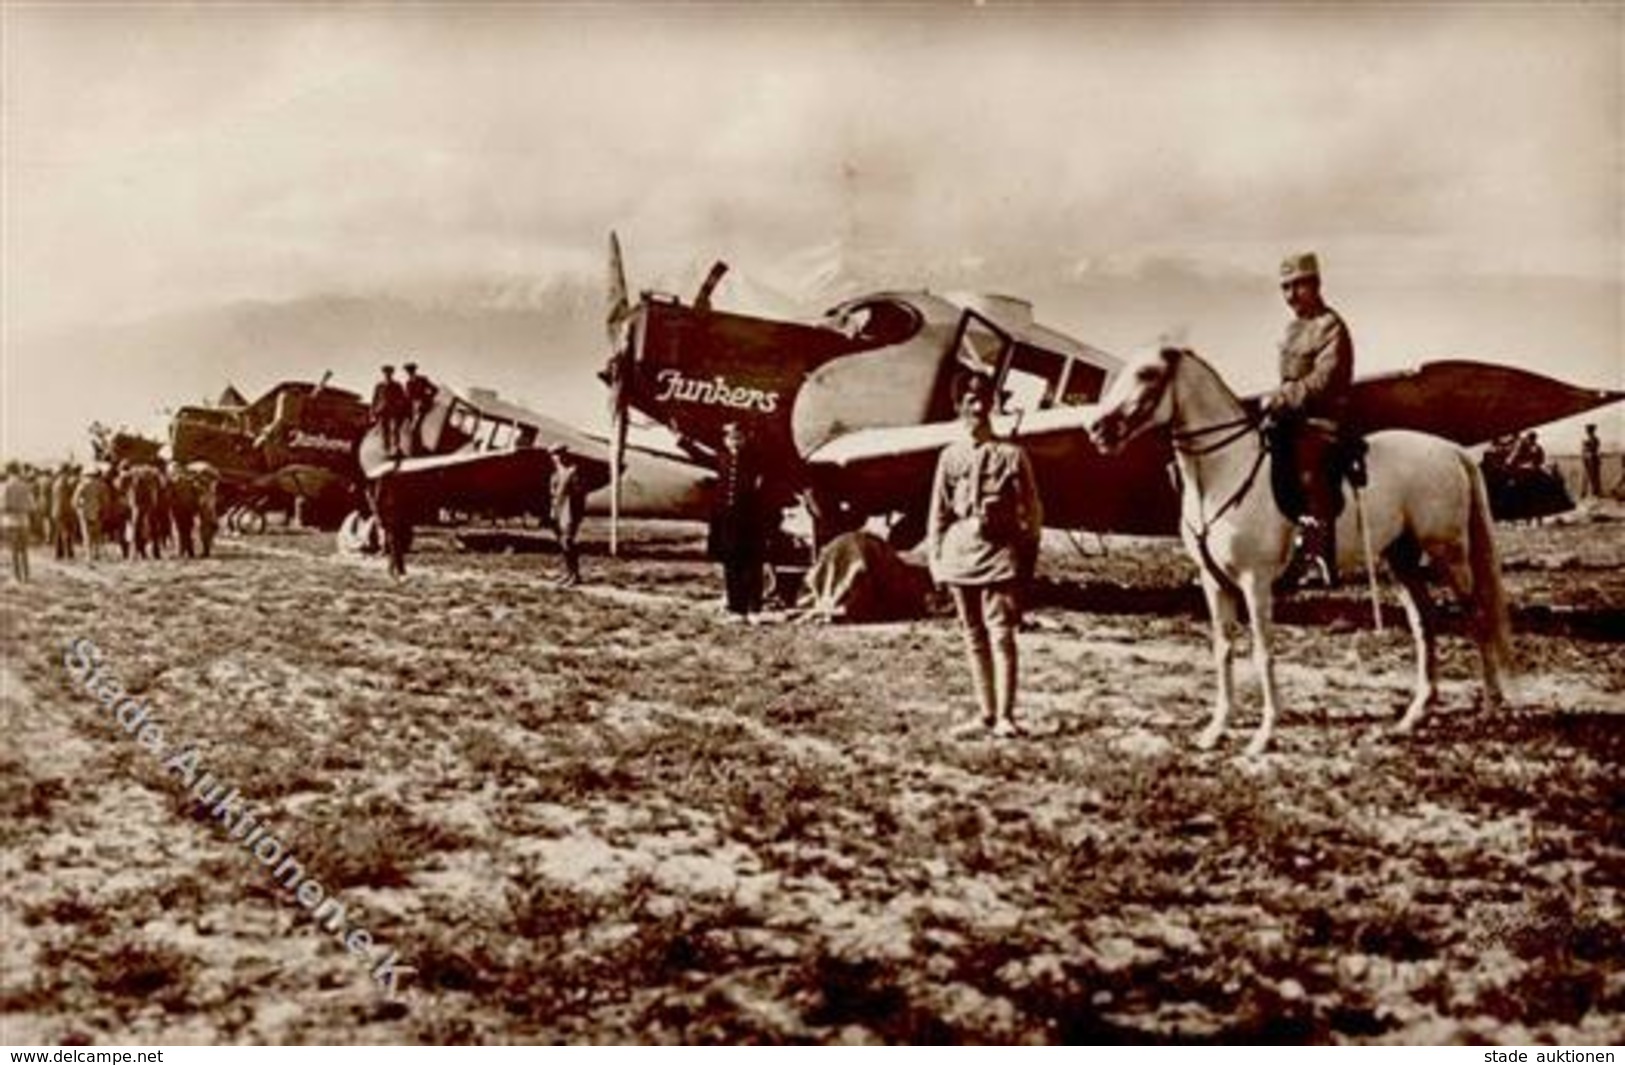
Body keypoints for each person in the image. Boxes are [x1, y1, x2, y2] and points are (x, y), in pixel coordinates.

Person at [927, 372, 1043, 738]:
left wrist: (1025, 556)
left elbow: (1033, 511)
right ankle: (985, 714)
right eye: (969, 400)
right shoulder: (949, 456)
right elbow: (938, 513)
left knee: (1002, 636)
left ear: (992, 404)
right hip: (959, 554)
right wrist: (936, 561)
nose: (977, 407)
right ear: (958, 406)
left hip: (999, 554)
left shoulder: (1012, 454)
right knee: (972, 636)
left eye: (983, 399)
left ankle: (1006, 716)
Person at [1263, 252, 1355, 588]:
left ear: (1315, 285)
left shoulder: (1331, 326)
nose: (1290, 296)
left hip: (1322, 421)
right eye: (1284, 288)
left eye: (1297, 286)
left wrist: (1283, 398)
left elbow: (1323, 382)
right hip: (1290, 419)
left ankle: (1318, 557)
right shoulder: (1291, 330)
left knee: (1309, 464)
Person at [709, 422, 768, 620]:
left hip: (749, 522)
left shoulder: (755, 460)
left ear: (744, 439)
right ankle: (736, 609)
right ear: (725, 441)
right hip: (727, 521)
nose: (734, 441)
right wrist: (680, 440)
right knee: (731, 565)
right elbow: (698, 454)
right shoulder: (721, 458)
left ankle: (754, 608)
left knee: (752, 566)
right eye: (730, 437)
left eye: (738, 437)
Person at [548, 444, 588, 587]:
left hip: (570, 510)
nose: (557, 457)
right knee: (562, 543)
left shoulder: (573, 471)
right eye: (554, 454)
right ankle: (568, 573)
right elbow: (553, 495)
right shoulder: (555, 474)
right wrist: (553, 511)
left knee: (568, 542)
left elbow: (579, 494)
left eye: (559, 454)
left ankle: (575, 575)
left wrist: (577, 514)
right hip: (559, 511)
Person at [2, 462, 35, 581]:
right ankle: (26, 575)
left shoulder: (6, 486)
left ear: (9, 471)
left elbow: (3, 505)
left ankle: (17, 577)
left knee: (14, 551)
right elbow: (32, 506)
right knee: (24, 551)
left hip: (10, 521)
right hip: (24, 521)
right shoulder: (25, 486)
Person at [370, 365, 409, 459]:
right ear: (384, 374)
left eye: (389, 373)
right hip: (382, 411)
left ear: (392, 374)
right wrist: (373, 412)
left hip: (394, 411)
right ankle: (386, 451)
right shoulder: (379, 386)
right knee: (385, 431)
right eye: (386, 373)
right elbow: (375, 400)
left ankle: (396, 448)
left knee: (395, 429)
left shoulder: (397, 385)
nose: (387, 374)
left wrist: (401, 407)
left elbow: (402, 398)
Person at [403, 362, 438, 456]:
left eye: (411, 371)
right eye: (408, 371)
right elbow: (408, 398)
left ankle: (418, 450)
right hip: (413, 408)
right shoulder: (408, 383)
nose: (410, 373)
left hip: (422, 406)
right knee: (413, 429)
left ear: (414, 371)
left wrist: (426, 398)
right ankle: (416, 449)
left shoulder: (422, 379)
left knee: (415, 429)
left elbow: (435, 389)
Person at [1581, 425, 1603, 499]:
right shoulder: (1591, 440)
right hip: (1589, 459)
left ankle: (1595, 492)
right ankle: (1590, 492)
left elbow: (1593, 448)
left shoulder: (1595, 439)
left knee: (1594, 476)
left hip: (1592, 459)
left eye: (1589, 430)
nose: (1588, 432)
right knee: (1589, 476)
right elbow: (1586, 450)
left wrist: (1586, 446)